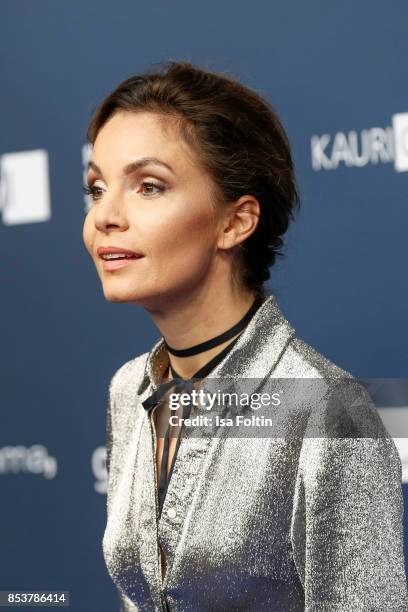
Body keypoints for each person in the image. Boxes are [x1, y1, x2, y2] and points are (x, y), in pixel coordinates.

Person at [82, 60, 408, 611]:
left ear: (235, 222)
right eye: (96, 188)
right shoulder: (126, 388)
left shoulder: (331, 410)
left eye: (149, 186)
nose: (105, 216)